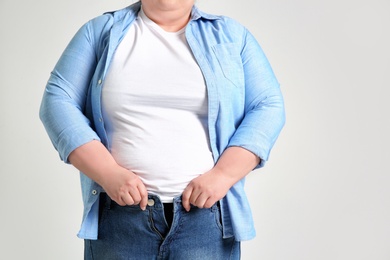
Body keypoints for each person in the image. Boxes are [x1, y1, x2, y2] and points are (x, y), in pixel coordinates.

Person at [39, 0, 285, 259]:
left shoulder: (233, 37)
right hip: (119, 221)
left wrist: (222, 176)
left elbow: (268, 105)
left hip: (206, 221)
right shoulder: (100, 31)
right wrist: (108, 173)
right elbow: (57, 100)